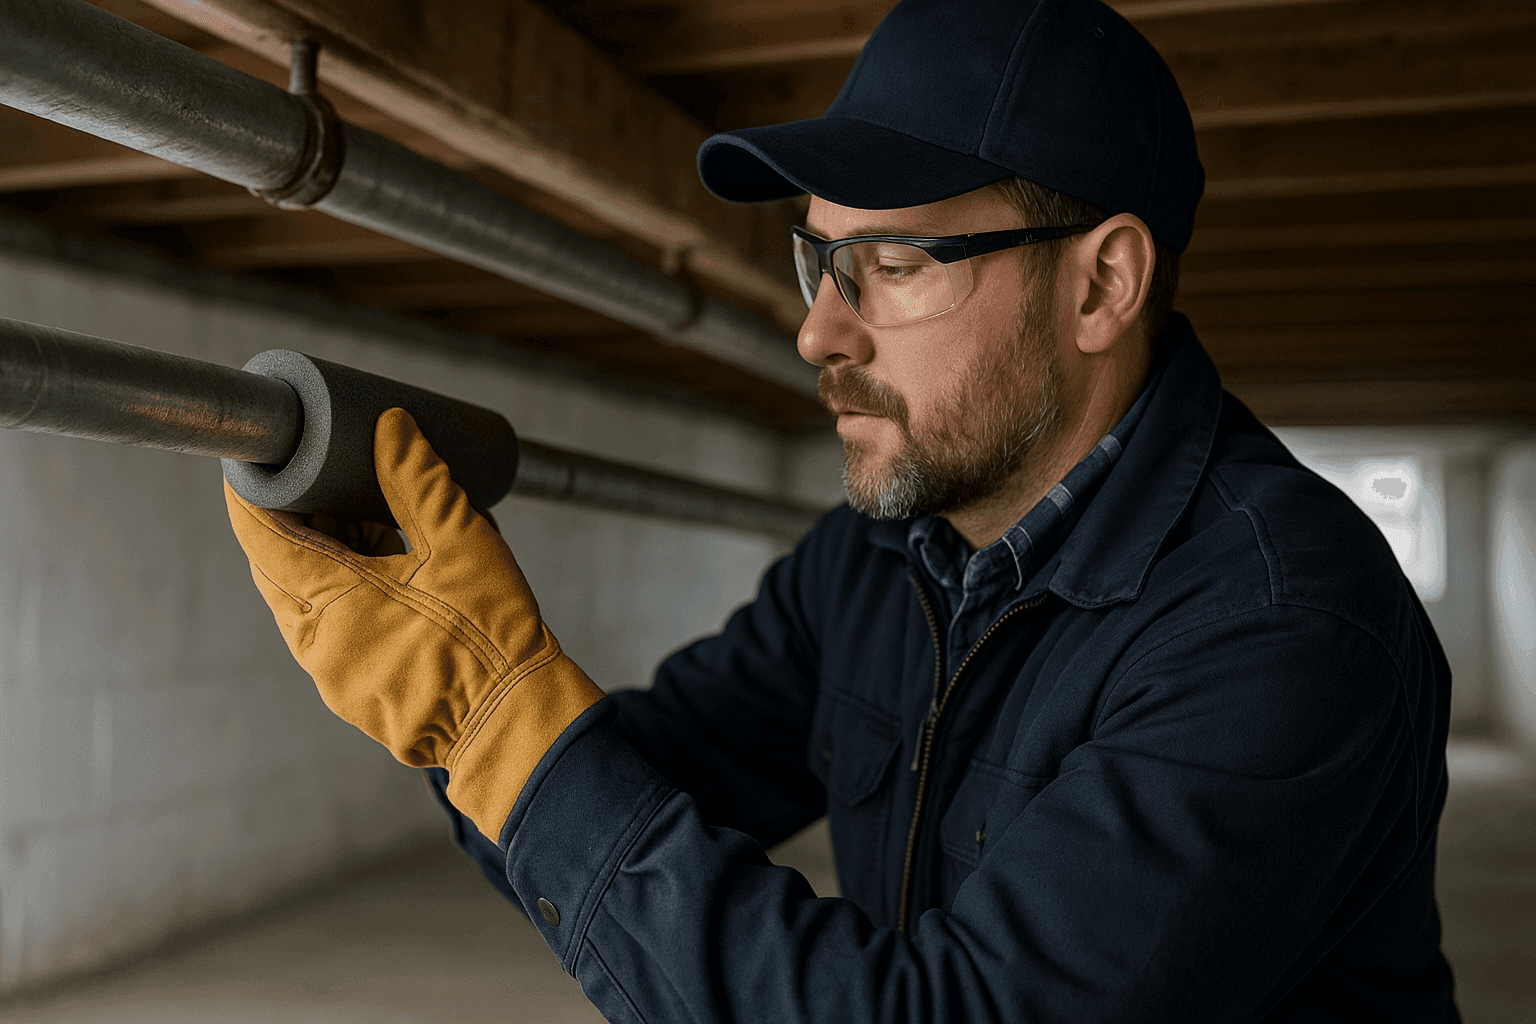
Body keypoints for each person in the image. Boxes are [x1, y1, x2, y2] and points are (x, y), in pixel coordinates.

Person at [223, 0, 1461, 1019]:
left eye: (898, 264)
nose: (819, 327)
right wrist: (461, 694)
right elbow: (619, 788)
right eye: (822, 255)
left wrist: (504, 725)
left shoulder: (1281, 626)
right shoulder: (878, 560)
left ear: (1102, 284)